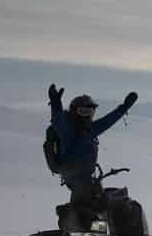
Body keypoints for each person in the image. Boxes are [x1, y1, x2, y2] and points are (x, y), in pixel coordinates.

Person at [47, 84, 138, 228]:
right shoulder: (69, 131)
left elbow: (108, 121)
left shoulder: (89, 131)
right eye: (83, 111)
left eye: (90, 112)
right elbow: (59, 121)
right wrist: (56, 104)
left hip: (89, 181)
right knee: (105, 204)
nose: (87, 116)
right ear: (74, 112)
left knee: (104, 206)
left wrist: (124, 107)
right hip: (77, 180)